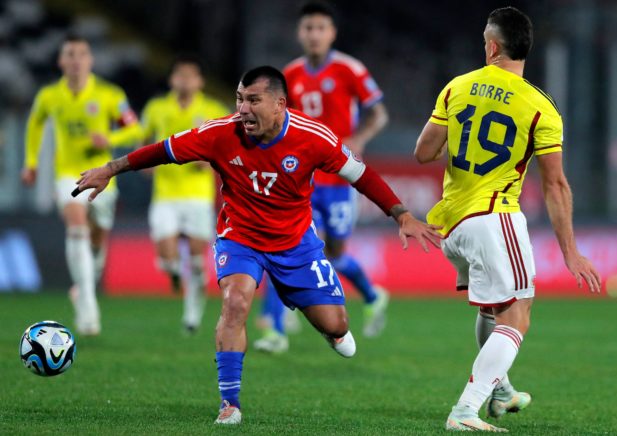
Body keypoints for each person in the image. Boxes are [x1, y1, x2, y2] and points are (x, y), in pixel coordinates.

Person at [73, 66, 442, 425]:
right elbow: (161, 150)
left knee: (337, 325)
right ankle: (229, 404)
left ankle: (314, 312)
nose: (243, 109)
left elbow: (361, 175)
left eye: (253, 100)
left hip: (296, 243)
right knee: (235, 303)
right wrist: (110, 168)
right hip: (241, 238)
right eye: (239, 99)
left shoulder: (314, 137)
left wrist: (402, 215)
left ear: (280, 104)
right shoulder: (220, 133)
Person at [415, 7, 601, 432]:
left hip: (452, 224)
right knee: (518, 311)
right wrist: (570, 252)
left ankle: (501, 391)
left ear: (493, 46)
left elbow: (424, 153)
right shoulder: (540, 107)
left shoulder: (457, 87)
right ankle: (465, 412)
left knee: (496, 307)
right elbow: (555, 185)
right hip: (494, 216)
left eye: (485, 41)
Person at [255, 1, 391, 353]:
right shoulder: (290, 74)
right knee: (284, 244)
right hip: (301, 178)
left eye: (320, 28)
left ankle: (373, 294)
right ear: (300, 33)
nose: (314, 34)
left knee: (335, 254)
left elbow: (379, 114)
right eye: (308, 28)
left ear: (332, 33)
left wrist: (358, 140)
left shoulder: (350, 69)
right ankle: (274, 330)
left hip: (340, 178)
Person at [21, 35, 141, 336]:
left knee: (97, 239)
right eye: (70, 54)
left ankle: (87, 280)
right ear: (61, 61)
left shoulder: (109, 94)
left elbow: (135, 129)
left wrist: (109, 140)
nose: (76, 60)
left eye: (82, 54)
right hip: (66, 175)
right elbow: (35, 124)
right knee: (77, 226)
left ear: (91, 60)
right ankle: (88, 306)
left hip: (101, 175)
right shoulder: (49, 96)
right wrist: (31, 162)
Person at [140, 55, 228, 333]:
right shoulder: (156, 108)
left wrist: (212, 160)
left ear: (200, 81)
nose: (185, 81)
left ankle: (192, 316)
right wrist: (146, 163)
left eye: (191, 76)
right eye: (180, 75)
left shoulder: (212, 108)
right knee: (166, 257)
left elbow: (226, 146)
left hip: (197, 196)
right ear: (172, 79)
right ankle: (174, 274)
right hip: (165, 194)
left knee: (197, 258)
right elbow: (143, 140)